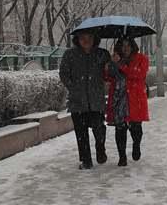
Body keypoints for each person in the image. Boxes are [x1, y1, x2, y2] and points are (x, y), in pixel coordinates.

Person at [59, 30, 110, 169]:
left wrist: (109, 67)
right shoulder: (70, 55)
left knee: (99, 128)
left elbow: (109, 74)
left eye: (89, 37)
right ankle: (86, 160)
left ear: (95, 38)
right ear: (77, 39)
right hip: (77, 101)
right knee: (81, 132)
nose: (86, 41)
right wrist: (73, 87)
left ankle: (100, 149)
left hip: (96, 100)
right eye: (82, 38)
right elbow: (63, 73)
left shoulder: (102, 54)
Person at [104, 37, 150, 166]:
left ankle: (136, 145)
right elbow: (108, 77)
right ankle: (122, 156)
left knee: (136, 127)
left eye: (128, 45)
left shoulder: (142, 59)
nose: (125, 48)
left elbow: (139, 74)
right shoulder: (115, 59)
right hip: (119, 97)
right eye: (123, 46)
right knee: (120, 128)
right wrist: (108, 68)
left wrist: (121, 65)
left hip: (135, 98)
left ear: (133, 46)